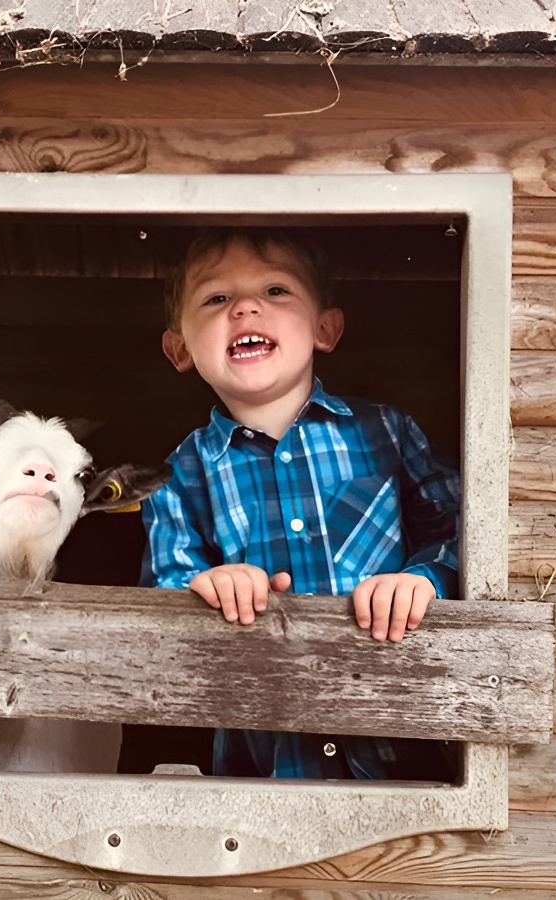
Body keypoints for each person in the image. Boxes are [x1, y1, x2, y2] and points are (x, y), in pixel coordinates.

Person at [140, 227, 460, 780]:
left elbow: (463, 529)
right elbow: (166, 588)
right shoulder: (178, 473)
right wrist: (207, 587)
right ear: (180, 349)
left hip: (401, 747)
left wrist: (424, 579)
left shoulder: (386, 433)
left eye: (276, 291)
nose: (244, 307)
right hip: (263, 763)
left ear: (325, 329)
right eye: (217, 299)